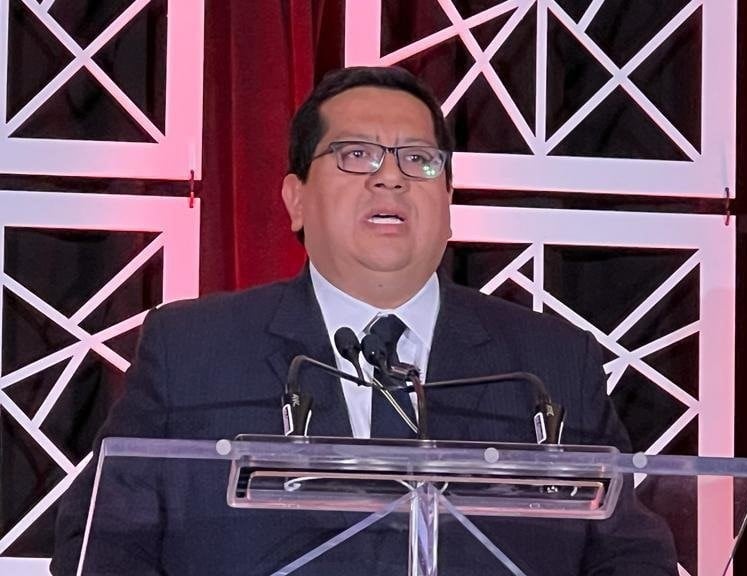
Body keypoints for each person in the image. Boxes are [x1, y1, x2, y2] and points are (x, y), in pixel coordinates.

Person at [52, 66, 676, 575]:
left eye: (419, 159)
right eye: (356, 155)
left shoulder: (550, 362)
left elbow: (630, 556)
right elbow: (102, 545)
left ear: (448, 202)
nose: (391, 178)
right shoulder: (193, 350)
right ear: (295, 199)